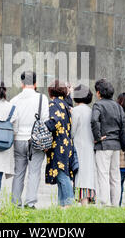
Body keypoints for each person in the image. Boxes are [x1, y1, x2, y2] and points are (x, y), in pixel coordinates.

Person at [10, 71, 49, 209]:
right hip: (36, 141)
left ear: (21, 84)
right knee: (34, 172)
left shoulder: (14, 100)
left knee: (18, 172)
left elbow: (12, 121)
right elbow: (45, 120)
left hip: (18, 140)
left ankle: (15, 203)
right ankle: (30, 202)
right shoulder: (42, 98)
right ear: (35, 83)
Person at [91, 79, 125, 207]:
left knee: (103, 174)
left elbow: (93, 120)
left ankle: (105, 203)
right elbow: (123, 128)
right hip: (116, 145)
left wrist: (97, 137)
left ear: (98, 93)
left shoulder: (98, 105)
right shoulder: (119, 107)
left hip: (104, 145)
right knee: (115, 176)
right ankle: (115, 204)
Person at [44, 80, 75, 208]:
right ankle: (61, 205)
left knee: (61, 174)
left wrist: (42, 127)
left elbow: (54, 122)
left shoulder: (54, 104)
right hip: (66, 142)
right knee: (63, 173)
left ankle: (68, 202)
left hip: (58, 143)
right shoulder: (65, 104)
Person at [71, 84, 96, 206]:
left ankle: (82, 203)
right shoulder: (91, 111)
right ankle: (86, 202)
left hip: (78, 146)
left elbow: (72, 131)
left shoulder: (75, 111)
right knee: (88, 175)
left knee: (79, 175)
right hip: (90, 147)